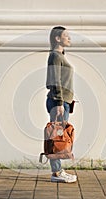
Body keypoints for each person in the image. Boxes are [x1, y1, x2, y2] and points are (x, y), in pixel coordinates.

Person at [46, 26, 77, 183]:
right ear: (57, 38)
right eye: (66, 36)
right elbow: (55, 80)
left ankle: (58, 170)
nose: (69, 38)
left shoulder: (60, 56)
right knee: (56, 137)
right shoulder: (55, 56)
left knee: (59, 136)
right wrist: (59, 102)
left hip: (63, 101)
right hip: (58, 102)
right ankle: (56, 172)